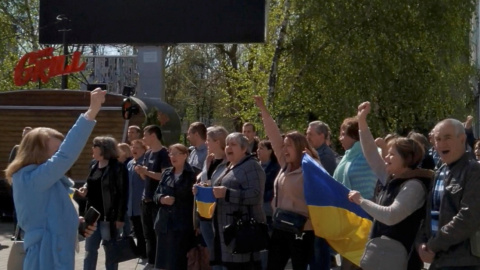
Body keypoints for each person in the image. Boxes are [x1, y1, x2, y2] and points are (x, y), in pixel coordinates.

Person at [4, 88, 104, 270]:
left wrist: (78, 223)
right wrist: (91, 112)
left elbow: (49, 216)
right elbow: (67, 155)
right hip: (44, 259)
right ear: (37, 152)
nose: (58, 157)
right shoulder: (30, 178)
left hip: (55, 256)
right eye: (55, 152)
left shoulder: (48, 181)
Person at [348, 101, 434, 270]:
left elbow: (391, 216)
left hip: (401, 261)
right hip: (382, 257)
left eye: (391, 154)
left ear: (406, 159)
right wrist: (362, 120)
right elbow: (371, 152)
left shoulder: (414, 186)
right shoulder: (392, 177)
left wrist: (361, 201)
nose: (385, 157)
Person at [254, 96, 320, 270]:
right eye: (283, 146)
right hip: (281, 226)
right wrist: (263, 110)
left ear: (299, 147)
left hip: (302, 230)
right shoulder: (285, 163)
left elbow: (323, 194)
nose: (283, 149)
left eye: (288, 145)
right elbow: (274, 136)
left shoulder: (312, 168)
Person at [418, 118, 480, 269]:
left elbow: (468, 217)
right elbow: (429, 213)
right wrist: (421, 244)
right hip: (439, 260)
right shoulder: (440, 172)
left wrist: (433, 245)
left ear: (462, 139)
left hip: (463, 262)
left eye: (447, 138)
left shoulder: (474, 171)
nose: (441, 144)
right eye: (438, 139)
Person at [208, 132, 265, 270]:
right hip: (226, 232)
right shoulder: (230, 166)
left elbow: (255, 195)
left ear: (244, 149)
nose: (228, 147)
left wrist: (227, 193)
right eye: (227, 144)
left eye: (233, 144)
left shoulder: (252, 166)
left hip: (242, 233)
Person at [333, 116, 377, 270]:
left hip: (364, 215)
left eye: (343, 134)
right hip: (348, 217)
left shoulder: (369, 155)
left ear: (354, 135)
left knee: (358, 261)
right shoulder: (347, 156)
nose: (340, 138)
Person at [78, 136, 129, 270]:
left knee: (111, 252)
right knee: (89, 251)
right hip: (92, 216)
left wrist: (120, 217)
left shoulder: (118, 168)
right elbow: (91, 182)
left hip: (109, 217)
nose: (92, 149)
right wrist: (85, 188)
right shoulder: (94, 164)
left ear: (104, 149)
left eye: (95, 146)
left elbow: (123, 194)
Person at [154, 143, 197, 270]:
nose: (172, 157)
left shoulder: (193, 174)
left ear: (185, 155)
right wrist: (162, 199)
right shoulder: (166, 173)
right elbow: (156, 195)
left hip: (182, 224)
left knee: (179, 262)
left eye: (176, 154)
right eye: (171, 153)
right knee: (164, 263)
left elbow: (195, 201)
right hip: (164, 223)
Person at [135, 125, 171, 270]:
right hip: (146, 199)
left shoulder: (164, 154)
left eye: (145, 134)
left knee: (158, 234)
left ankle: (160, 263)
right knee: (147, 234)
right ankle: (151, 262)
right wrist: (141, 172)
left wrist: (147, 172)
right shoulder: (148, 153)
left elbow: (164, 175)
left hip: (158, 200)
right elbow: (146, 176)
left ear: (153, 135)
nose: (143, 138)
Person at [196, 125, 229, 270]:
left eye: (208, 140)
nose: (206, 143)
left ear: (218, 141)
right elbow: (205, 179)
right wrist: (198, 185)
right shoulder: (208, 159)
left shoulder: (229, 162)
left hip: (221, 215)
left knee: (224, 256)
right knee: (213, 254)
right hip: (205, 213)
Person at [306, 120, 337, 270]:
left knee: (319, 253)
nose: (307, 137)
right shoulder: (315, 153)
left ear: (322, 136)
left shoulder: (326, 156)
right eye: (306, 134)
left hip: (322, 211)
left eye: (310, 134)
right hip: (315, 212)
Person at [8, 126, 32, 241]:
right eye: (24, 134)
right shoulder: (17, 149)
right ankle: (16, 233)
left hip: (30, 184)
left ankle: (28, 231)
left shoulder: (34, 151)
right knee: (17, 207)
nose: (26, 136)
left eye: (28, 134)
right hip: (18, 183)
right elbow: (10, 166)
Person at [125, 139, 148, 259]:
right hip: (131, 203)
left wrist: (142, 173)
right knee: (137, 230)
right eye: (133, 147)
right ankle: (140, 251)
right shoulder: (130, 163)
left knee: (144, 230)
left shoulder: (145, 162)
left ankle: (145, 252)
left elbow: (147, 180)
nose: (134, 149)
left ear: (144, 149)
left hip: (142, 202)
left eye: (137, 147)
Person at [256, 140, 280, 225]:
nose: (258, 150)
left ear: (270, 151)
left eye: (261, 148)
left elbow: (275, 187)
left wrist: (263, 196)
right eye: (258, 148)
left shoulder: (276, 168)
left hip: (268, 205)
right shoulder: (254, 165)